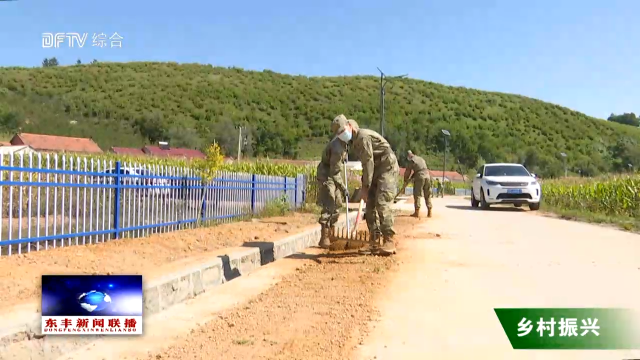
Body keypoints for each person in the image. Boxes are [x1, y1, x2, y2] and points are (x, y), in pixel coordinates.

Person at [333, 118, 399, 256]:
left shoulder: (362, 137)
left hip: (387, 167)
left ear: (350, 126)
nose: (342, 135)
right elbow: (366, 165)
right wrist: (365, 185)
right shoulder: (355, 142)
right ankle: (374, 241)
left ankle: (389, 240)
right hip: (375, 169)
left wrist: (365, 187)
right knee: (370, 206)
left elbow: (368, 162)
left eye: (343, 131)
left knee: (382, 202)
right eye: (339, 134)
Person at [316, 115, 349, 249]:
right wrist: (343, 187)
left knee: (338, 203)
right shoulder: (336, 147)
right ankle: (324, 236)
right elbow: (334, 172)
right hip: (327, 175)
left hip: (334, 174)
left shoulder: (344, 142)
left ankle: (332, 233)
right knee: (330, 201)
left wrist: (345, 157)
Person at [404, 150, 433, 218]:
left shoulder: (412, 160)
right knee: (427, 194)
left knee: (417, 194)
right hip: (427, 176)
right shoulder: (420, 158)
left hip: (420, 177)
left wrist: (405, 180)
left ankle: (417, 212)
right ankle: (429, 212)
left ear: (409, 156)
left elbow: (408, 171)